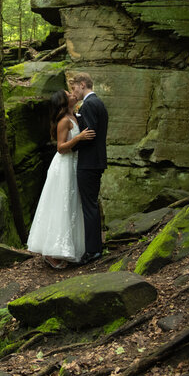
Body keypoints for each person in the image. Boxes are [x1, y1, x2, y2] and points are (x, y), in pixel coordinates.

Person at [27, 90, 96, 268]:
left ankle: (70, 248)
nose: (73, 94)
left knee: (73, 204)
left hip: (75, 164)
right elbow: (60, 147)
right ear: (64, 101)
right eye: (69, 94)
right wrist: (79, 137)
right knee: (61, 204)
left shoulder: (74, 115)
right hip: (64, 165)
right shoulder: (64, 121)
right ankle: (51, 252)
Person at [69, 72, 109, 264]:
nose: (73, 92)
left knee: (89, 206)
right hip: (94, 161)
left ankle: (93, 251)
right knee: (90, 205)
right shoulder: (97, 103)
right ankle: (95, 247)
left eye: (74, 87)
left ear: (82, 84)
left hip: (89, 162)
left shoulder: (90, 104)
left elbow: (90, 133)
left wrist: (73, 145)